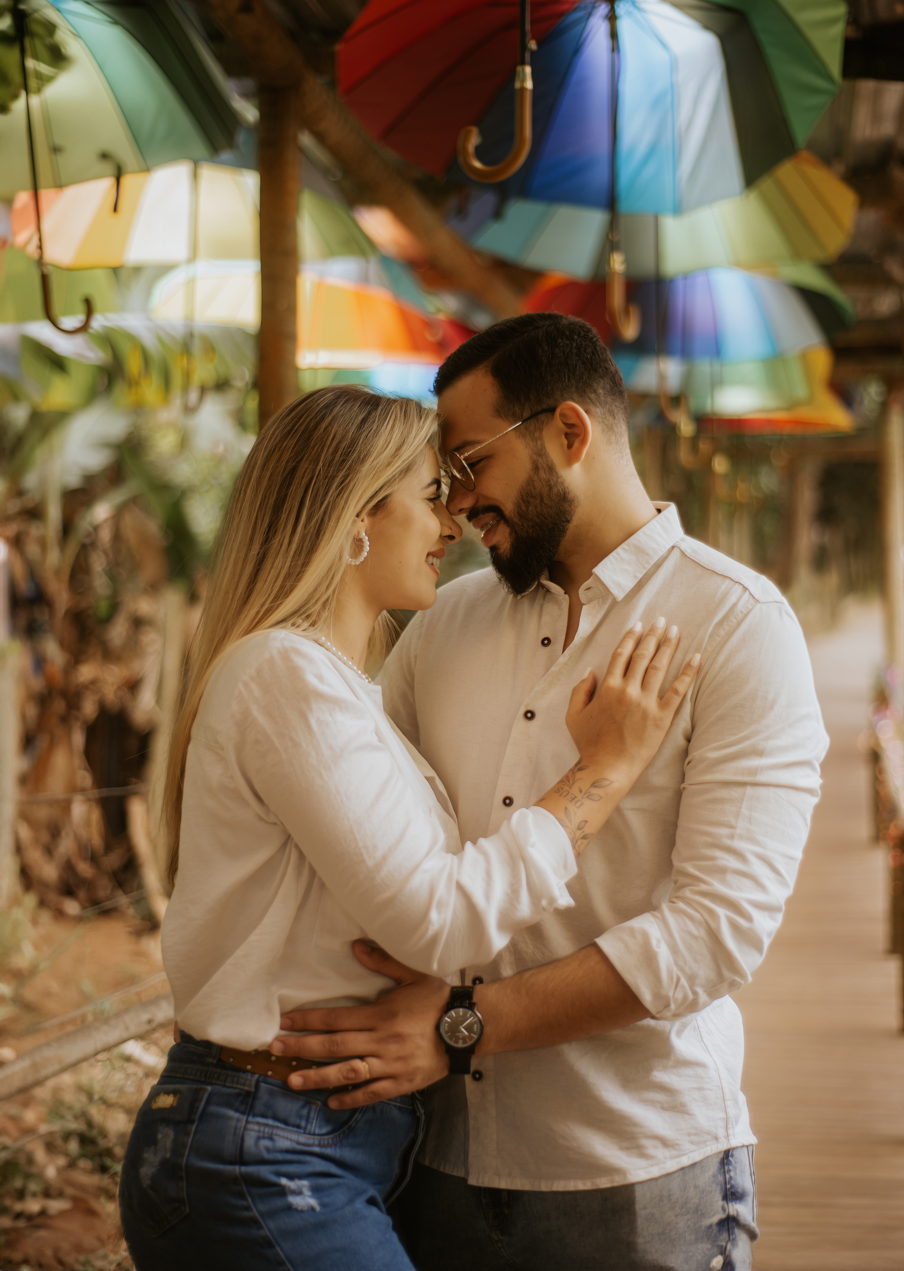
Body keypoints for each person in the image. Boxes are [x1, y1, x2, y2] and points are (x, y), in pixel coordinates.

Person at [270, 316, 830, 1271]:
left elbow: (718, 932)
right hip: (428, 1163)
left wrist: (461, 1027)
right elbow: (375, 851)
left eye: (468, 462)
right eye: (440, 479)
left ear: (568, 432)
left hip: (637, 1177)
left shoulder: (738, 626)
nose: (455, 503)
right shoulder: (439, 625)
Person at [117, 385, 698, 1271]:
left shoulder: (340, 689)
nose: (453, 522)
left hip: (307, 1140)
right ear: (356, 517)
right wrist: (602, 773)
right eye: (431, 494)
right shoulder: (287, 678)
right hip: (267, 1151)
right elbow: (440, 915)